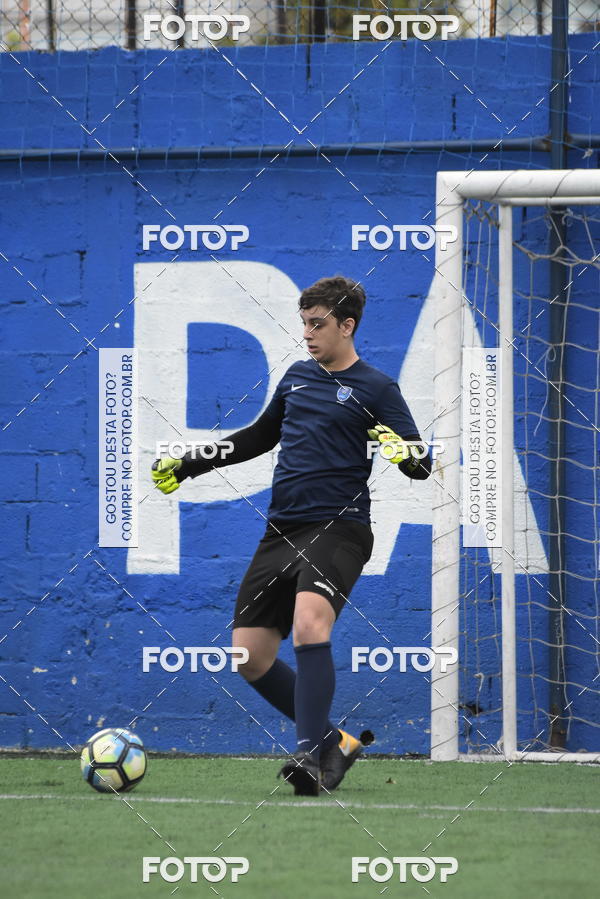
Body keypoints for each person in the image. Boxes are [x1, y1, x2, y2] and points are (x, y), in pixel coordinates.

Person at [152, 276, 431, 795]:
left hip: (340, 529)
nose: (307, 333)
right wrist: (192, 461)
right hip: (282, 530)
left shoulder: (377, 388)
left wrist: (404, 453)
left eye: (317, 324)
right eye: (304, 323)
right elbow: (260, 436)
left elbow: (421, 464)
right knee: (249, 654)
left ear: (347, 326)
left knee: (309, 624)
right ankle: (334, 743)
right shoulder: (297, 377)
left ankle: (308, 756)